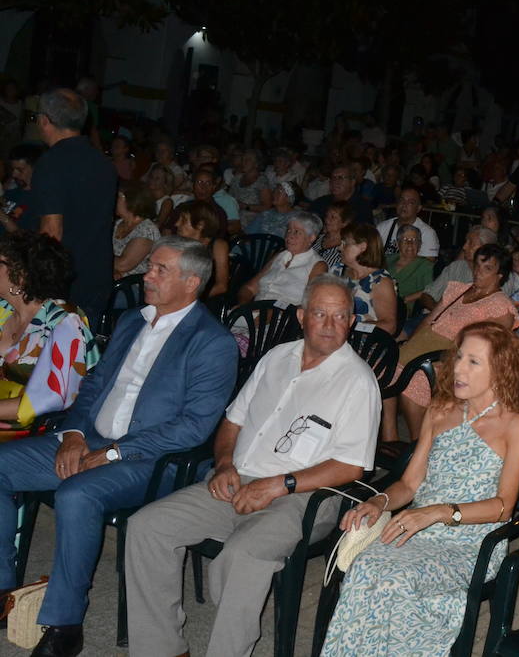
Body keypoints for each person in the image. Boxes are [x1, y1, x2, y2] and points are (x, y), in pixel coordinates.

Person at [0, 237, 236, 656]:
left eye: (160, 269)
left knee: (76, 493)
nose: (146, 274)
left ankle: (64, 624)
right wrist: (73, 434)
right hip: (89, 437)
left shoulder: (211, 342)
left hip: (151, 459)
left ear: (191, 282)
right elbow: (91, 387)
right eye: (150, 266)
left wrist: (112, 453)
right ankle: (2, 589)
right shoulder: (131, 321)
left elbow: (194, 429)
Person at [125, 275, 382, 657]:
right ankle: (162, 649)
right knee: (146, 527)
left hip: (306, 495)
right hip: (238, 480)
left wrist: (280, 484)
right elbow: (232, 421)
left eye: (340, 316)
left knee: (245, 555)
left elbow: (351, 467)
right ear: (301, 316)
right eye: (320, 314)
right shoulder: (276, 358)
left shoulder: (358, 381)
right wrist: (225, 463)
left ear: (352, 321)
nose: (330, 325)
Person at [319, 321, 519, 656]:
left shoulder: (516, 422)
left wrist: (440, 512)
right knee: (365, 568)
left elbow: (504, 506)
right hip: (417, 528)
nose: (458, 368)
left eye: (473, 361)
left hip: (471, 541)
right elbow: (410, 483)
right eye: (459, 357)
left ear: (500, 371)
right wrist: (379, 502)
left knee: (395, 581)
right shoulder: (440, 410)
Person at [397, 244, 516, 438]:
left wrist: (453, 359)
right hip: (427, 345)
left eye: (487, 269)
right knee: (385, 367)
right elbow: (430, 320)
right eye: (477, 265)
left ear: (500, 275)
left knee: (415, 378)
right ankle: (390, 437)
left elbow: (492, 346)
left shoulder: (500, 306)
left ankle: (418, 443)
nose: (478, 272)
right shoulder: (459, 290)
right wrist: (411, 343)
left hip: (453, 356)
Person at [27, 88, 116, 318]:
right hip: (96, 275)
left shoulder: (51, 163)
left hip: (62, 284)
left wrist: (35, 283)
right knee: (80, 352)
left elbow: (51, 233)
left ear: (44, 120)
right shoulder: (103, 163)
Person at [0, 232, 96, 429]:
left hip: (35, 427)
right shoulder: (3, 310)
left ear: (20, 276)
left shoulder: (63, 322)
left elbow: (53, 398)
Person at [237, 211, 327, 306]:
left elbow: (309, 304)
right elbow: (249, 288)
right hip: (251, 312)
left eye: (297, 232)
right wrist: (243, 306)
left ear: (311, 238)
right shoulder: (280, 256)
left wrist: (270, 314)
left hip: (282, 317)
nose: (289, 236)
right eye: (288, 230)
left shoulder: (317, 265)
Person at [414, 225, 497, 316]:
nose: (464, 247)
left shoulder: (494, 277)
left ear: (485, 249)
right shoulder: (456, 267)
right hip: (433, 317)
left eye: (471, 243)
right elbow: (427, 295)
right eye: (466, 242)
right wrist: (439, 312)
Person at [331, 222, 398, 334]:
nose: (339, 248)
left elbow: (389, 326)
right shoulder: (337, 270)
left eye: (344, 243)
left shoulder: (379, 281)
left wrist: (349, 326)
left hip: (360, 339)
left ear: (362, 247)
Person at [176, 199, 232, 298]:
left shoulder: (218, 246)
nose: (176, 224)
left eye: (183, 220)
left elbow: (221, 286)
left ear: (200, 225)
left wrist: (189, 300)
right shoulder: (179, 244)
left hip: (206, 300)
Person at [111, 181, 162, 279]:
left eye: (117, 197)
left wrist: (97, 254)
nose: (113, 200)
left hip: (132, 286)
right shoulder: (118, 223)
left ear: (131, 200)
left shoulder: (146, 229)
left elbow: (123, 264)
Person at [375, 186, 440, 260]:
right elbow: (372, 256)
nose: (404, 205)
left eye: (411, 202)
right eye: (402, 200)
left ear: (418, 208)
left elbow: (427, 266)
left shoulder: (427, 233)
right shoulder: (382, 227)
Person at [387, 223, 434, 314]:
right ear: (397, 244)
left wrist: (405, 299)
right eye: (405, 239)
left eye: (414, 240)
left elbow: (430, 290)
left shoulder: (425, 265)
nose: (410, 243)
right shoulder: (388, 259)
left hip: (402, 309)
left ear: (419, 245)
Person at [309, 165, 374, 226]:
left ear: (352, 182)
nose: (335, 181)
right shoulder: (321, 202)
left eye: (340, 178)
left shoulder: (362, 207)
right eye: (333, 178)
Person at [1, 142, 42, 234]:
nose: (14, 174)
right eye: (13, 169)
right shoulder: (10, 193)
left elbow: (24, 239)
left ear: (36, 169)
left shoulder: (40, 200)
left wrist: (2, 216)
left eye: (20, 170)